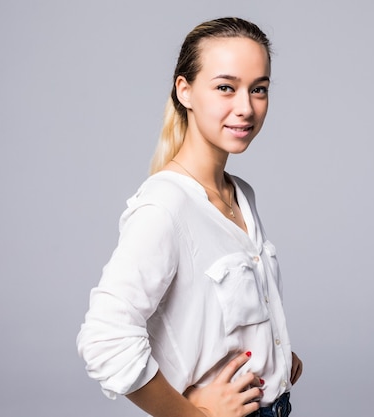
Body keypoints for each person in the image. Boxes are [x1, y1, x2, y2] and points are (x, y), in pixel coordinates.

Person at [77, 17, 302, 417]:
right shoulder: (165, 205)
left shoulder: (240, 196)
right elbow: (105, 338)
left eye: (259, 89)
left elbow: (210, 316)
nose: (246, 107)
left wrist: (276, 352)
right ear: (185, 91)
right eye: (225, 88)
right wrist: (190, 416)